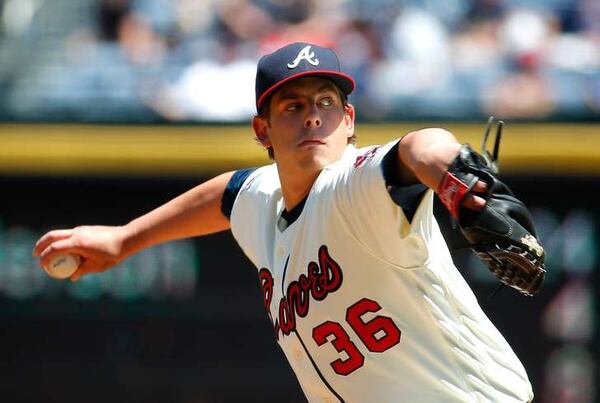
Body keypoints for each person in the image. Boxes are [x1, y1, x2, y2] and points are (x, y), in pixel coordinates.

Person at [33, 42, 533, 402]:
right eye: (293, 106)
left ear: (349, 121)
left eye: (326, 103)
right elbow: (226, 194)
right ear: (262, 130)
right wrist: (124, 239)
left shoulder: (353, 187)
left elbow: (421, 147)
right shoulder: (262, 200)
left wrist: (453, 183)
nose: (313, 117)